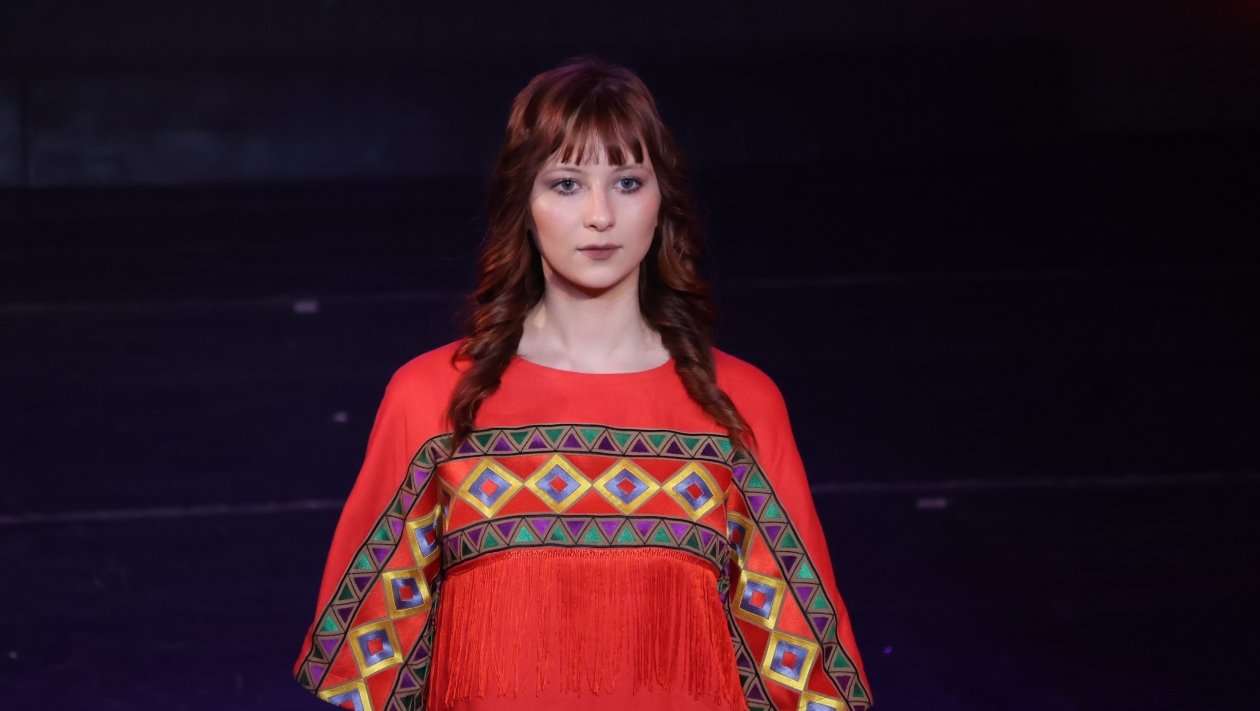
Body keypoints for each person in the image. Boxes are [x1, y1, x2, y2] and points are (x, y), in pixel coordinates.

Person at [292, 56, 873, 711]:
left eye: (627, 182)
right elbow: (370, 660)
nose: (601, 215)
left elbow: (802, 676)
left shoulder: (738, 407)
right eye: (567, 184)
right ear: (524, 203)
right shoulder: (434, 400)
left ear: (661, 200)